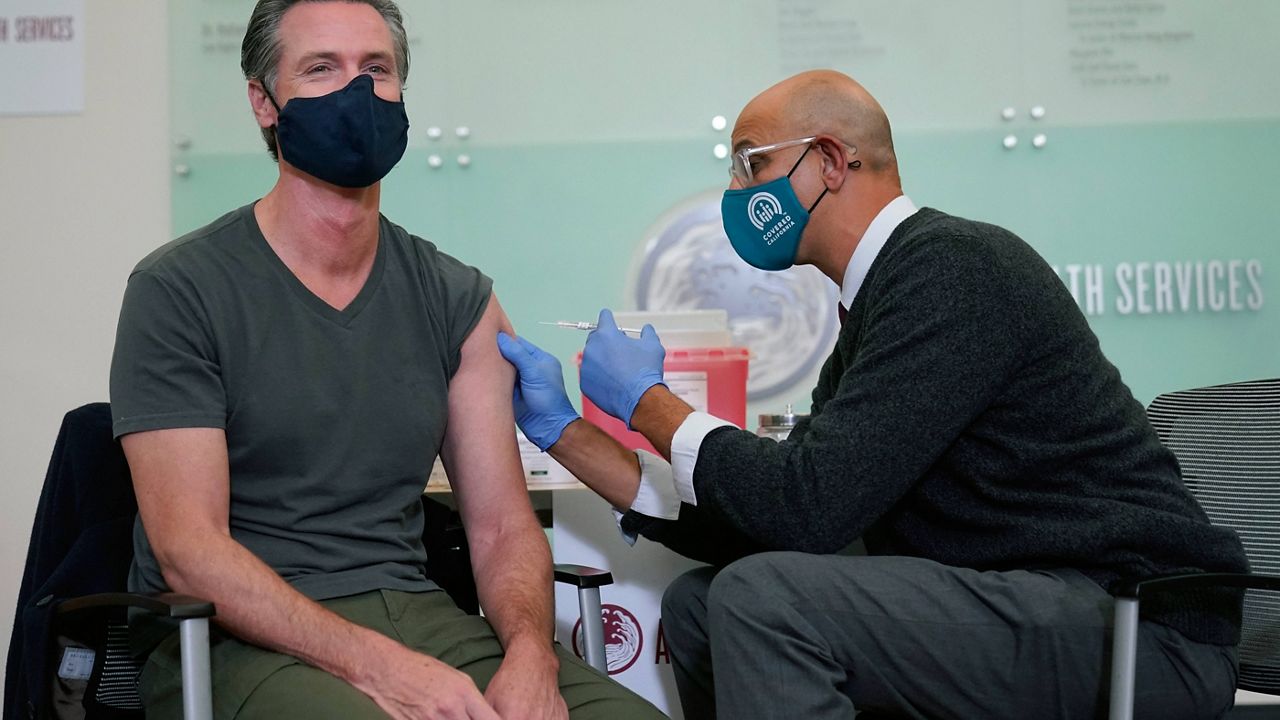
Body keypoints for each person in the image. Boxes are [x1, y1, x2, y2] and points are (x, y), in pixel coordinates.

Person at [497, 70, 1247, 719]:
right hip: (1033, 606)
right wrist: (568, 433)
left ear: (828, 160)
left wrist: (650, 403)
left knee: (766, 601)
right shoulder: (879, 305)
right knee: (702, 604)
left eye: (751, 165)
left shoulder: (953, 269)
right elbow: (775, 518)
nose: (735, 192)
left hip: (1137, 627)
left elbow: (806, 506)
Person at [108, 2, 663, 718]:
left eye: (377, 69)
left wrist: (532, 656)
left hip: (419, 614)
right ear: (263, 103)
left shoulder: (458, 299)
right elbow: (189, 551)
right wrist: (379, 669)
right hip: (234, 637)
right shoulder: (179, 291)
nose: (357, 92)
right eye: (320, 69)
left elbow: (499, 525)